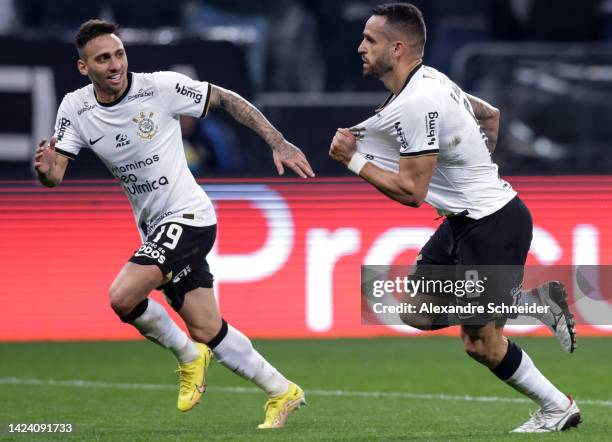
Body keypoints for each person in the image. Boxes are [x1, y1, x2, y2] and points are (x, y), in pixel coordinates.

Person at [34, 19, 313, 429]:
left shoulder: (159, 88)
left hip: (190, 216)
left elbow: (227, 99)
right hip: (155, 229)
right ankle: (281, 391)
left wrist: (277, 141)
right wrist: (43, 170)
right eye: (102, 59)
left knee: (122, 296)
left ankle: (186, 356)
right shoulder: (75, 108)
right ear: (84, 68)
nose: (115, 65)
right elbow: (55, 175)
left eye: (119, 54)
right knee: (206, 327)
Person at [329, 3, 580, 433]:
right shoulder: (430, 80)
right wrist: (472, 172)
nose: (360, 47)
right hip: (468, 220)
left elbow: (411, 192)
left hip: (493, 223)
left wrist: (354, 162)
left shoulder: (418, 99)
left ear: (398, 47)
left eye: (370, 40)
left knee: (481, 343)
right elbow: (489, 116)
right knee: (415, 311)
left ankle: (557, 405)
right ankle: (531, 307)